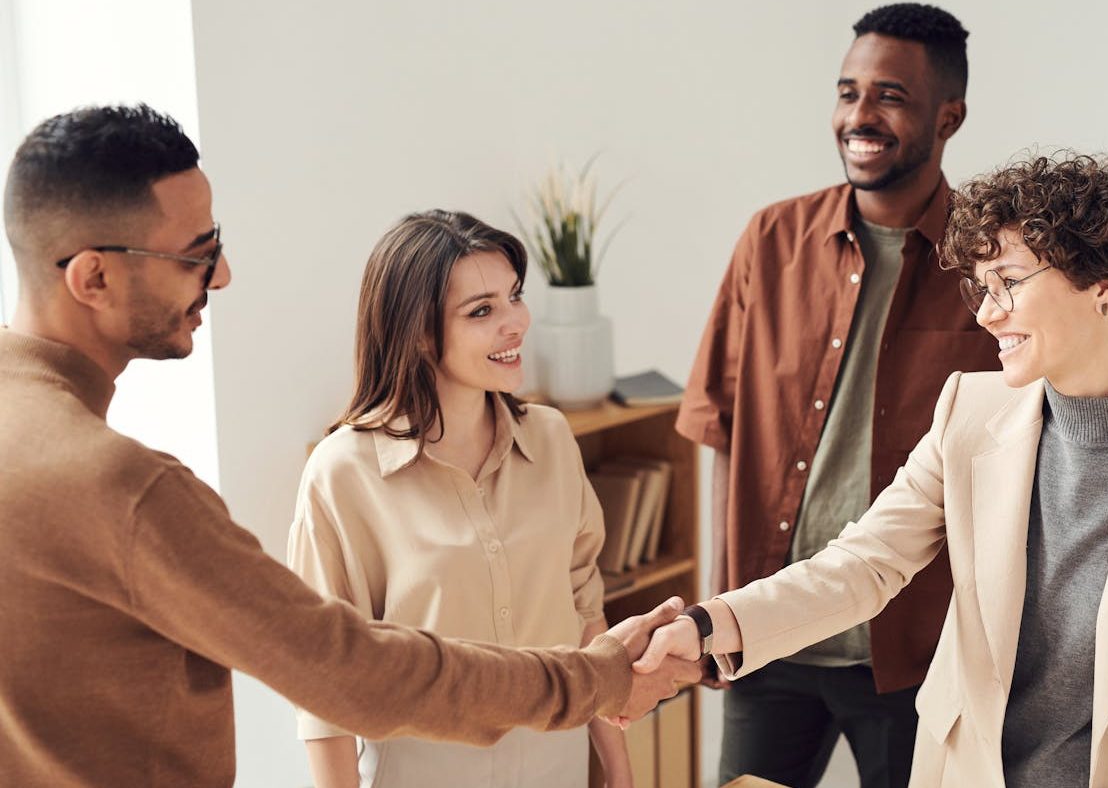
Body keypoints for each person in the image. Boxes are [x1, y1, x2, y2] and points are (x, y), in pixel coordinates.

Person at [0, 104, 698, 788]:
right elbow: (345, 672)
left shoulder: (548, 439)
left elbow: (578, 598)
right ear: (91, 277)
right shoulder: (123, 487)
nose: (222, 276)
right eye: (196, 255)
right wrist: (596, 678)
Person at [640, 153, 1108, 786]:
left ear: (1105, 283)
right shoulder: (966, 415)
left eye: (1009, 282)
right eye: (982, 287)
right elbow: (864, 565)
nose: (985, 313)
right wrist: (706, 625)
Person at [676, 2, 998, 788]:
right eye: (848, 91)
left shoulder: (990, 264)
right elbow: (717, 429)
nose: (860, 116)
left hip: (913, 651)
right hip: (769, 635)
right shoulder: (770, 242)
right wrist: (720, 608)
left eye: (889, 96)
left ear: (947, 117)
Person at [289, 211, 632, 788]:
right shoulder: (344, 473)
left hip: (559, 773)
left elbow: (586, 616)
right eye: (482, 311)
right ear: (419, 334)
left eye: (514, 297)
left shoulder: (550, 439)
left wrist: (618, 772)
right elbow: (324, 685)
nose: (515, 323)